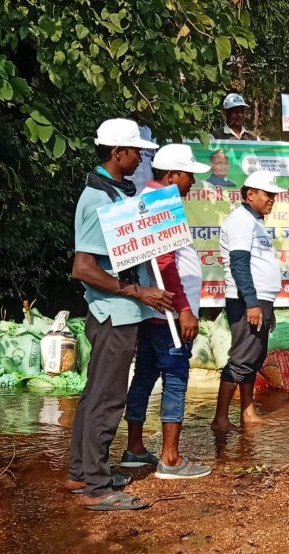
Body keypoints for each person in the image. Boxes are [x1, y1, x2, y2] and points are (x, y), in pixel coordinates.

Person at [68, 118, 171, 511]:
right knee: (109, 398)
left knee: (95, 393)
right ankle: (97, 486)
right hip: (114, 313)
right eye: (136, 151)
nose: (141, 157)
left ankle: (82, 473)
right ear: (117, 153)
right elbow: (84, 267)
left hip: (119, 310)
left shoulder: (113, 193)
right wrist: (137, 290)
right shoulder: (98, 199)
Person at [123, 144, 212, 480]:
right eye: (189, 175)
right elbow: (164, 262)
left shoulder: (144, 198)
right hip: (169, 314)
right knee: (175, 378)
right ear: (173, 175)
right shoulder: (162, 202)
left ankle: (134, 449)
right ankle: (171, 459)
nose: (193, 182)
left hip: (152, 311)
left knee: (145, 373)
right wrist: (184, 308)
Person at [211, 171, 288, 432]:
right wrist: (252, 303)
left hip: (259, 301)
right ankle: (220, 418)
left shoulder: (255, 221)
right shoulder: (240, 221)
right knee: (242, 358)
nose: (272, 200)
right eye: (268, 195)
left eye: (274, 195)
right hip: (245, 301)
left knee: (253, 358)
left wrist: (267, 305)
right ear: (250, 194)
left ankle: (247, 411)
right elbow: (240, 264)